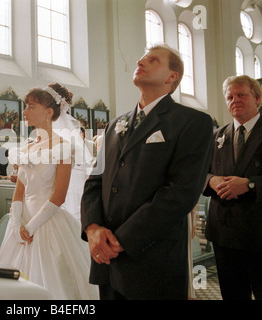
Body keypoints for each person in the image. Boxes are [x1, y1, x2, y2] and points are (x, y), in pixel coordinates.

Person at [81, 44, 214, 300]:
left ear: (171, 77)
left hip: (151, 256)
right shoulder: (114, 126)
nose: (141, 62)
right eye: (140, 59)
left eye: (152, 60)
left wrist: (120, 240)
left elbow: (181, 193)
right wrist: (93, 228)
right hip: (106, 259)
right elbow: (95, 181)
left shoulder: (192, 122)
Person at [0, 83, 99, 300]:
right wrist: (16, 225)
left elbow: (59, 195)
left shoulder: (63, 147)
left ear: (49, 112)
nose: (24, 112)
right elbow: (19, 192)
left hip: (47, 222)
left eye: (31, 107)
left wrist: (31, 227)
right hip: (21, 221)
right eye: (26, 106)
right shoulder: (26, 148)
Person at [203, 75, 262, 300]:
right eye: (230, 96)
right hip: (224, 232)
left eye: (241, 94)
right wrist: (211, 180)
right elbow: (198, 174)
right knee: (232, 294)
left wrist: (250, 184)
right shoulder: (217, 136)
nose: (235, 100)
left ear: (257, 98)